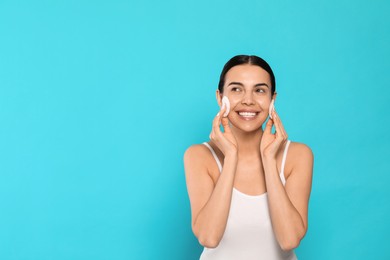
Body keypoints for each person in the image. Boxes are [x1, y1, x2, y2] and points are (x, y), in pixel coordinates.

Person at [183, 55, 314, 259]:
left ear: (272, 99)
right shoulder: (199, 156)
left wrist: (269, 160)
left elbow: (289, 240)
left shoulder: (297, 155)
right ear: (220, 97)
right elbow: (208, 237)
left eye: (259, 90)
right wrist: (231, 156)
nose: (248, 100)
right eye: (236, 89)